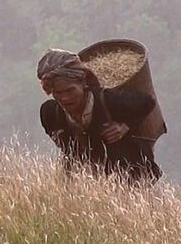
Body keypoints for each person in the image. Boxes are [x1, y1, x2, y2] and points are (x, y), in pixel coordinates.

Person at [37, 48, 161, 183]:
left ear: (83, 83)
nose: (65, 98)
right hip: (85, 183)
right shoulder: (50, 113)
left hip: (131, 179)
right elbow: (65, 147)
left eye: (70, 90)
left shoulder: (109, 101)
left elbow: (147, 102)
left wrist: (125, 126)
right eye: (58, 93)